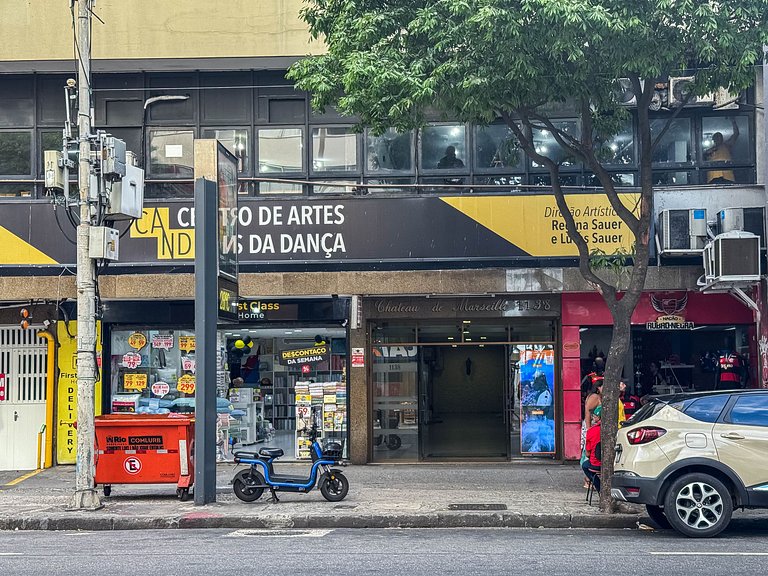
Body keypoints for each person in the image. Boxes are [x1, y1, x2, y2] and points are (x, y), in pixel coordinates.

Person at [704, 118, 739, 184]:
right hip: (713, 177)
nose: (718, 139)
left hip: (727, 176)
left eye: (720, 137)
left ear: (722, 138)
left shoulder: (726, 145)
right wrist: (708, 152)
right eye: (716, 137)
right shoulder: (709, 150)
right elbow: (701, 158)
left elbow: (736, 134)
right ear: (713, 140)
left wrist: (733, 121)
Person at [582, 405, 602, 491]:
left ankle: (599, 488)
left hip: (596, 463)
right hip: (613, 464)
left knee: (585, 465)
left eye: (594, 416)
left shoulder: (591, 431)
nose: (593, 417)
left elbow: (588, 453)